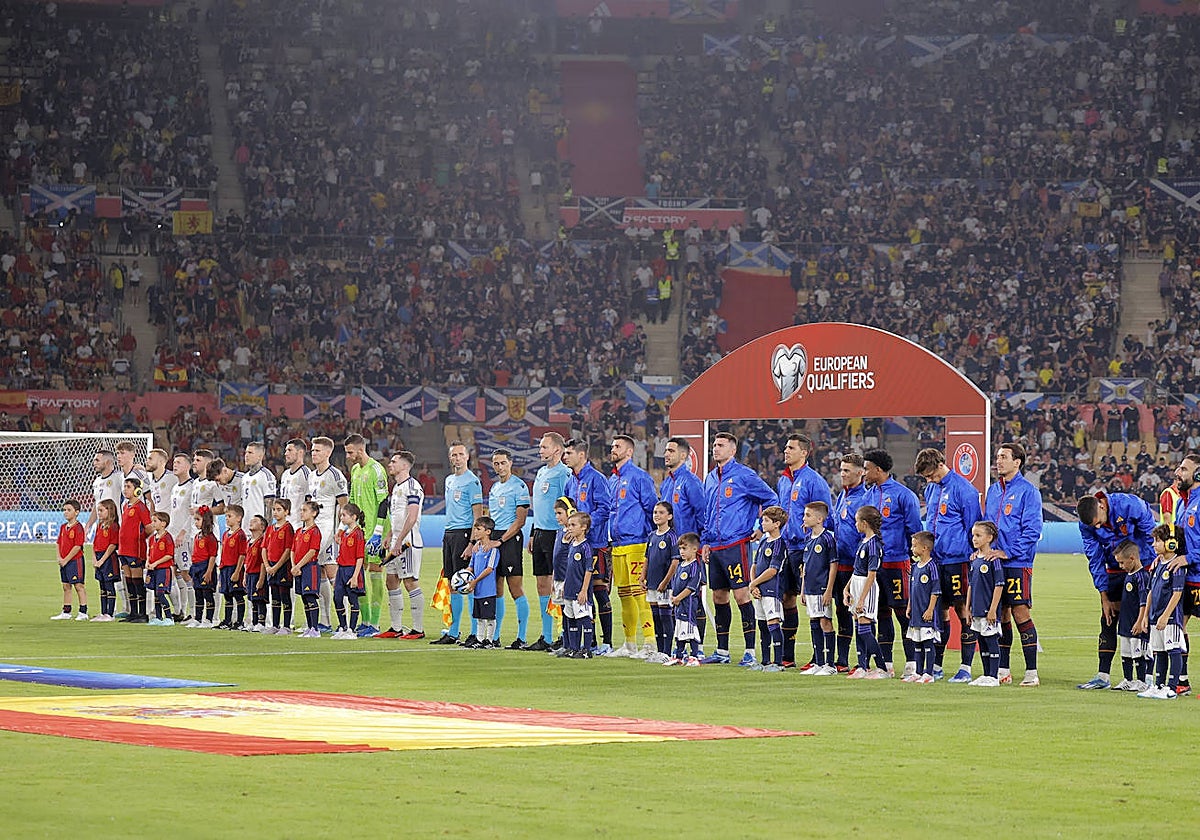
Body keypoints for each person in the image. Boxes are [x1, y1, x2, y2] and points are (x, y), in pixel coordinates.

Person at [699, 431, 778, 666]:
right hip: (715, 546)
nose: (716, 448)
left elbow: (771, 498)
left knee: (741, 594)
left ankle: (750, 651)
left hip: (736, 544)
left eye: (721, 445)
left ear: (732, 450)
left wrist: (760, 528)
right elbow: (708, 512)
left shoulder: (745, 475)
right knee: (718, 596)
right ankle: (722, 651)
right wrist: (705, 541)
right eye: (714, 444)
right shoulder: (711, 478)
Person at [1075, 491, 1157, 690]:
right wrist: (1103, 594)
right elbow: (1094, 558)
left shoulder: (1130, 505)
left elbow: (1150, 534)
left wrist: (1155, 565)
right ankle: (1103, 676)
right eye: (1093, 526)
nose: (1097, 527)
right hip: (1114, 570)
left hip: (1143, 568)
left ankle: (1147, 678)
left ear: (1102, 506)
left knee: (1144, 620)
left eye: (1098, 522)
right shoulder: (1086, 525)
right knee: (1108, 619)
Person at [915, 447, 981, 683]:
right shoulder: (932, 488)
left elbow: (974, 527)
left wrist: (971, 554)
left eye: (931, 475)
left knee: (964, 610)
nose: (929, 480)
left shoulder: (965, 490)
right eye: (926, 477)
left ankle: (965, 667)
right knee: (938, 612)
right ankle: (937, 665)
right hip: (936, 561)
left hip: (958, 560)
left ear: (940, 465)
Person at [984, 442, 1044, 687]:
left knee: (1020, 611)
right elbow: (987, 526)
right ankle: (1003, 669)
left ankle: (1032, 672)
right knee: (1001, 615)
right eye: (997, 457)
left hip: (1017, 562)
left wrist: (1007, 552)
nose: (998, 461)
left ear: (1017, 462)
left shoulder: (1029, 492)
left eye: (1003, 457)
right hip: (994, 560)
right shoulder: (993, 491)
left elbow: (1033, 531)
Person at [862, 449, 922, 677]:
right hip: (874, 566)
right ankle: (885, 664)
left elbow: (915, 530)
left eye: (867, 468)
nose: (864, 473)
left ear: (878, 469)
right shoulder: (868, 496)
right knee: (881, 612)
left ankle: (912, 663)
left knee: (902, 612)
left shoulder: (904, 495)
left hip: (896, 562)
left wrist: (911, 556)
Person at [777, 433, 833, 668]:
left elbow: (825, 517)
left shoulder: (814, 481)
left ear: (804, 452)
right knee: (786, 598)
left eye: (791, 448)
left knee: (813, 602)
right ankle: (787, 656)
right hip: (787, 547)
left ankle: (818, 657)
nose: (786, 451)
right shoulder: (783, 480)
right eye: (785, 447)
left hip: (806, 549)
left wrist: (815, 545)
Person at [606, 434, 657, 658]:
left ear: (629, 452)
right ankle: (629, 644)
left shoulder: (639, 477)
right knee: (624, 595)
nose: (613, 449)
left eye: (617, 446)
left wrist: (648, 538)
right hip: (617, 544)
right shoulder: (612, 480)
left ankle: (650, 643)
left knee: (640, 594)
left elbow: (652, 509)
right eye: (612, 446)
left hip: (637, 543)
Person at [431, 441, 484, 645]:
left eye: (461, 454)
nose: (457, 458)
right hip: (450, 533)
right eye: (454, 455)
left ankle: (473, 632)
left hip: (464, 534)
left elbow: (477, 514)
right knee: (453, 584)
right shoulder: (449, 480)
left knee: (466, 583)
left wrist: (473, 541)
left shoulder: (472, 482)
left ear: (467, 457)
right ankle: (453, 632)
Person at [564, 437, 613, 652]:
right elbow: (566, 511)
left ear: (581, 455)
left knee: (599, 591)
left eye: (569, 453)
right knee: (579, 592)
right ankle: (588, 641)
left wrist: (585, 526)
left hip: (596, 543)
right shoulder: (570, 481)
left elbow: (605, 508)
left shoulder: (597, 479)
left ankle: (607, 642)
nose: (565, 456)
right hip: (576, 544)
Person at [528, 432, 571, 651]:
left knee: (559, 585)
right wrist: (533, 532)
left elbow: (569, 504)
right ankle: (545, 636)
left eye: (544, 447)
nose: (541, 450)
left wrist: (568, 531)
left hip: (558, 533)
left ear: (557, 449)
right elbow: (539, 506)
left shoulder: (564, 473)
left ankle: (564, 634)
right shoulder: (541, 472)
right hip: (541, 533)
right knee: (542, 584)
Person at [486, 448, 532, 648]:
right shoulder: (494, 488)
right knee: (496, 589)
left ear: (510, 463)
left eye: (503, 462)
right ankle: (494, 636)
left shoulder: (519, 486)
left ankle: (521, 637)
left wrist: (501, 540)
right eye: (496, 463)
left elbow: (520, 521)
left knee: (515, 588)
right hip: (495, 538)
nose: (499, 467)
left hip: (510, 539)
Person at [378, 451, 425, 640]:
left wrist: (398, 541)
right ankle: (396, 627)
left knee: (410, 581)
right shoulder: (396, 487)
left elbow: (412, 517)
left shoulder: (413, 486)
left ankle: (418, 629)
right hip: (396, 541)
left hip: (408, 542)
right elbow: (396, 516)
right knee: (391, 581)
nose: (390, 464)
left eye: (394, 462)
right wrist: (389, 536)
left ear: (405, 466)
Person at [345, 433, 387, 638]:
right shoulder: (354, 469)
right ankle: (365, 621)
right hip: (358, 532)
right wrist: (345, 527)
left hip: (374, 531)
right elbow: (352, 500)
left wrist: (378, 531)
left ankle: (376, 623)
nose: (348, 456)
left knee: (375, 572)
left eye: (350, 452)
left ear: (360, 450)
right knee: (358, 574)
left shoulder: (377, 470)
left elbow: (384, 502)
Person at [1140, 523, 1188, 699]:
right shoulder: (1158, 563)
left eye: (1158, 541)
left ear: (1171, 543)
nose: (1154, 545)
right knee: (1159, 652)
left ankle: (1172, 688)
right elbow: (1151, 590)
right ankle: (1159, 686)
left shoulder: (1177, 565)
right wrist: (1146, 616)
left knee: (1173, 650)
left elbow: (1177, 593)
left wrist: (1166, 615)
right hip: (1154, 617)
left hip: (1170, 618)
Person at [831, 453, 868, 671]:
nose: (842, 474)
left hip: (857, 566)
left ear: (860, 472)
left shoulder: (864, 497)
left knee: (858, 612)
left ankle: (862, 661)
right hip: (840, 564)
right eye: (841, 470)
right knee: (841, 611)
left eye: (846, 470)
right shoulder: (842, 497)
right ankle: (842, 660)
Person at [308, 436, 348, 631]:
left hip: (329, 531)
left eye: (317, 450)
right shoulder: (312, 475)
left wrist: (339, 530)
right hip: (315, 529)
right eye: (313, 450)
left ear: (328, 453)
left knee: (332, 574)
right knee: (321, 572)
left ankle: (346, 623)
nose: (313, 453)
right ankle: (325, 621)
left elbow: (344, 506)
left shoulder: (335, 475)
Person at [846, 505, 888, 680]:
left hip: (866, 587)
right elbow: (857, 568)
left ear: (864, 523)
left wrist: (862, 598)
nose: (855, 524)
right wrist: (846, 588)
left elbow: (871, 574)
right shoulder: (863, 542)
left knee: (864, 628)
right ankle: (862, 666)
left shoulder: (874, 545)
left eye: (857, 521)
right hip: (856, 583)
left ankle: (882, 667)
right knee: (858, 627)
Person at [1171, 452, 1200, 692]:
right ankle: (1182, 680)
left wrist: (1189, 557)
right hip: (1186, 577)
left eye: (1183, 469)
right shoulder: (1182, 502)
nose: (1177, 473)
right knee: (1178, 627)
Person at [799, 501, 838, 675]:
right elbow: (805, 567)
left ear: (820, 519)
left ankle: (830, 665)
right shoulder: (807, 539)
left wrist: (829, 590)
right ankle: (818, 662)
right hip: (810, 588)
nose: (804, 518)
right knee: (814, 622)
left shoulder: (828, 538)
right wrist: (802, 590)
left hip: (822, 588)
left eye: (808, 515)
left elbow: (833, 565)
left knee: (825, 621)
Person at [748, 505, 788, 672]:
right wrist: (753, 584)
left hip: (772, 590)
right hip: (759, 590)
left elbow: (773, 570)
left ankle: (778, 662)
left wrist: (754, 583)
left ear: (776, 524)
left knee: (773, 623)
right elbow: (755, 565)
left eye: (765, 521)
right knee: (762, 624)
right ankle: (765, 661)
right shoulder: (764, 541)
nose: (762, 523)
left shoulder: (779, 544)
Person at [86, 449, 126, 615]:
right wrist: (89, 524)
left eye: (97, 460)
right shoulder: (96, 482)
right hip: (102, 527)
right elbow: (97, 507)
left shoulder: (118, 478)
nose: (94, 463)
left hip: (117, 528)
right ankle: (113, 610)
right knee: (108, 574)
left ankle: (128, 608)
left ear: (108, 462)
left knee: (120, 570)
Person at [965, 521, 1005, 688]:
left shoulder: (993, 560)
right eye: (973, 535)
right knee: (981, 641)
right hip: (976, 609)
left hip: (989, 610)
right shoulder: (974, 559)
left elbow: (999, 585)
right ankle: (986, 674)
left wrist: (993, 609)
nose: (974, 538)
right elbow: (971, 585)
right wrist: (967, 609)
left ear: (989, 538)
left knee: (991, 641)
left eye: (978, 535)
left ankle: (994, 676)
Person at [1111, 539, 1152, 692]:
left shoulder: (1142, 577)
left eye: (1122, 563)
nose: (1121, 567)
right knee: (1126, 653)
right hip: (1125, 622)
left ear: (1132, 558)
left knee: (1138, 653)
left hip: (1136, 623)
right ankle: (1128, 679)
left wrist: (1140, 621)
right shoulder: (1128, 574)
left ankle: (1141, 681)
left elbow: (1143, 602)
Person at [147, 448, 183, 620]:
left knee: (177, 572)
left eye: (151, 458)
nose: (148, 460)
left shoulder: (171, 478)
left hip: (171, 531)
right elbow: (154, 503)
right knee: (170, 575)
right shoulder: (152, 480)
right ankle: (175, 611)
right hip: (159, 528)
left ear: (161, 461)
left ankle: (179, 610)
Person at [643, 501, 679, 664]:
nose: (657, 515)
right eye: (655, 512)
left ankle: (667, 651)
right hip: (652, 583)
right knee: (656, 617)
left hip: (665, 585)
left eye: (661, 512)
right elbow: (647, 558)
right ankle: (659, 650)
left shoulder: (671, 536)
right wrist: (642, 577)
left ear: (669, 516)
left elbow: (674, 563)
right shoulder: (651, 536)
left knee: (665, 617)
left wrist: (665, 582)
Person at [905, 531, 940, 684]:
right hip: (916, 612)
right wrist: (909, 606)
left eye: (914, 546)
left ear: (925, 548)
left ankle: (929, 673)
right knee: (917, 643)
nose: (912, 549)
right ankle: (918, 672)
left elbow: (936, 590)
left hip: (926, 612)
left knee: (927, 642)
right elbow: (912, 589)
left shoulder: (932, 566)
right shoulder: (914, 566)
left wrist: (930, 609)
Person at [667, 532, 705, 667]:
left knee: (690, 628)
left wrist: (678, 598)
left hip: (688, 603)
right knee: (679, 629)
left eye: (685, 548)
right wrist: (673, 596)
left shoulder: (695, 566)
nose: (681, 551)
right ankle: (679, 655)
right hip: (678, 603)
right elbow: (675, 583)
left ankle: (694, 656)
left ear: (694, 549)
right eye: (680, 549)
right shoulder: (681, 565)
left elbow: (691, 587)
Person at [562, 511, 596, 659]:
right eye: (569, 525)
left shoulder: (586, 547)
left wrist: (584, 590)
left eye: (573, 525)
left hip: (579, 591)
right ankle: (574, 648)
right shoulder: (572, 544)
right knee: (571, 619)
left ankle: (587, 650)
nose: (569, 528)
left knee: (584, 618)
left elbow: (589, 570)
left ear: (583, 527)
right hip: (569, 590)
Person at [118, 477, 151, 623]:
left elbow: (149, 527)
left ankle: (142, 614)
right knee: (129, 581)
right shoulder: (126, 506)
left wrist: (139, 537)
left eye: (129, 487)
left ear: (137, 490)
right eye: (125, 486)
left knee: (137, 581)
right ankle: (133, 612)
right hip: (124, 549)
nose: (125, 489)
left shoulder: (141, 507)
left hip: (135, 550)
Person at [464, 516, 500, 649]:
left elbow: (490, 569)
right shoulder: (476, 549)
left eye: (478, 529)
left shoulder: (493, 549)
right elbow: (471, 566)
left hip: (488, 590)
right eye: (475, 529)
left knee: (489, 617)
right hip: (477, 590)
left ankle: (489, 640)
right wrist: (464, 577)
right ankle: (479, 639)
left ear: (488, 531)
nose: (475, 532)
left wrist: (475, 581)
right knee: (479, 617)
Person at [332, 503, 367, 640]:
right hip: (341, 569)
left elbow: (359, 557)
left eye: (344, 515)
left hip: (353, 570)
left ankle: (352, 630)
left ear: (353, 517)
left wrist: (355, 576)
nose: (341, 517)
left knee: (353, 599)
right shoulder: (345, 533)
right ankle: (343, 627)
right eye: (341, 515)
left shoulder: (358, 534)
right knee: (337, 598)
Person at [292, 500, 324, 638]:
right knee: (304, 598)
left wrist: (299, 565)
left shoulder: (315, 531)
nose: (301, 513)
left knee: (310, 597)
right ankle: (309, 627)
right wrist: (294, 566)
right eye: (301, 510)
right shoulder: (299, 531)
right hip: (298, 568)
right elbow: (293, 550)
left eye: (305, 510)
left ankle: (315, 629)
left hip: (309, 567)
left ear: (313, 513)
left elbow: (312, 551)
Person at [52, 500, 88, 621]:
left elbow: (77, 546)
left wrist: (66, 559)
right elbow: (58, 543)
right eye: (64, 510)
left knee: (79, 586)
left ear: (77, 512)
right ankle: (66, 611)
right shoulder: (63, 527)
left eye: (69, 510)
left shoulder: (78, 528)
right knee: (66, 586)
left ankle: (83, 612)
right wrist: (59, 558)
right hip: (64, 561)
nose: (65, 512)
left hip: (75, 561)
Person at [265, 500, 295, 635]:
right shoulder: (270, 528)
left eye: (279, 509)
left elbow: (288, 550)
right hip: (270, 566)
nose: (275, 512)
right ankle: (275, 625)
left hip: (282, 567)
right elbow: (264, 548)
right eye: (274, 510)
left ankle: (287, 625)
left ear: (286, 512)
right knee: (275, 596)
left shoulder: (288, 528)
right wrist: (267, 565)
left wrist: (276, 566)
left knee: (284, 595)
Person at [217, 504, 248, 630]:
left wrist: (237, 571)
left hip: (234, 568)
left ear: (239, 518)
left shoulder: (240, 535)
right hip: (225, 568)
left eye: (229, 516)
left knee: (238, 595)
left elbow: (242, 554)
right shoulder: (225, 534)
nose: (227, 518)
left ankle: (240, 621)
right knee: (227, 595)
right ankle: (227, 620)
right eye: (226, 516)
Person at [188, 506, 218, 628]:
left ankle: (209, 619)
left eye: (198, 519)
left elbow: (212, 556)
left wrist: (209, 571)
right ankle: (198, 618)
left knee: (207, 594)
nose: (195, 522)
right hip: (196, 567)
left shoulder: (210, 538)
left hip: (205, 567)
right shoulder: (197, 536)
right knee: (198, 594)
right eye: (195, 520)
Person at [91, 499, 120, 621]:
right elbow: (94, 543)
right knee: (102, 586)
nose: (99, 513)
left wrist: (102, 560)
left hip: (108, 559)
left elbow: (112, 545)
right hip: (98, 556)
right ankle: (103, 613)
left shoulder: (113, 526)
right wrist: (94, 558)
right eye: (98, 510)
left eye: (102, 510)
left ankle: (110, 613)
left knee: (109, 585)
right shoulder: (99, 525)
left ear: (110, 510)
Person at [145, 512, 176, 626]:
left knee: (161, 593)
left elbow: (169, 555)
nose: (152, 523)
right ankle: (158, 617)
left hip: (163, 569)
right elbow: (149, 553)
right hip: (153, 570)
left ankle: (169, 617)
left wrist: (156, 563)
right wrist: (148, 562)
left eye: (155, 521)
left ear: (163, 524)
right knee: (155, 593)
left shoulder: (167, 538)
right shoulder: (152, 538)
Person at [240, 441, 277, 526]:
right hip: (246, 526)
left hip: (259, 528)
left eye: (250, 453)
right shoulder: (245, 477)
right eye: (246, 452)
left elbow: (270, 504)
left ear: (260, 456)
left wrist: (266, 529)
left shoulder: (266, 475)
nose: (246, 455)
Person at [278, 439, 312, 530]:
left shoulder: (306, 473)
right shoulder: (285, 474)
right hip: (282, 526)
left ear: (300, 453)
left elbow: (310, 501)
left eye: (289, 450)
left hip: (297, 526)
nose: (286, 454)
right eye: (285, 451)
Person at [244, 515, 270, 631]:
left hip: (258, 573)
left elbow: (262, 562)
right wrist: (245, 576)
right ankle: (254, 622)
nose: (251, 522)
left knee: (259, 599)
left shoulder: (262, 542)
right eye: (251, 520)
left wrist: (261, 579)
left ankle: (261, 622)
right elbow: (247, 561)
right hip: (249, 573)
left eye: (255, 521)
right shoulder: (249, 541)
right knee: (252, 599)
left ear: (262, 526)